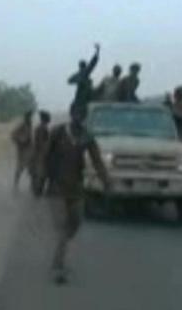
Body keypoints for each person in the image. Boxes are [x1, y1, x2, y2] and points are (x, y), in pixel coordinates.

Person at [43, 105, 112, 284]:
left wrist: (106, 181)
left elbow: (97, 160)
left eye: (82, 115)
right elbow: (44, 156)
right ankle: (58, 268)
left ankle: (61, 250)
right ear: (71, 114)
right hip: (56, 189)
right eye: (76, 113)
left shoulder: (86, 136)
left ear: (84, 117)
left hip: (76, 189)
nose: (78, 117)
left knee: (75, 223)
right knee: (62, 228)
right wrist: (40, 180)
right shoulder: (57, 133)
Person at [67, 43, 100, 111]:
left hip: (82, 96)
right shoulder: (84, 72)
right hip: (84, 95)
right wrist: (97, 51)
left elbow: (69, 80)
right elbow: (93, 62)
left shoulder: (80, 73)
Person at [30, 110, 52, 197]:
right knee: (41, 173)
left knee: (39, 173)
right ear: (45, 119)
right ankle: (38, 191)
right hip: (40, 154)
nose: (50, 119)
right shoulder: (42, 129)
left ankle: (38, 191)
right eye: (48, 118)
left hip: (38, 153)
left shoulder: (41, 128)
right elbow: (41, 142)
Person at [11, 111, 33, 192]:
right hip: (23, 151)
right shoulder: (22, 125)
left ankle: (32, 185)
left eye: (30, 116)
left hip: (29, 150)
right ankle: (15, 185)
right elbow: (13, 134)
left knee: (30, 169)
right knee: (20, 168)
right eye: (28, 117)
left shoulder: (29, 125)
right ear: (26, 117)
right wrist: (21, 141)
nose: (30, 118)